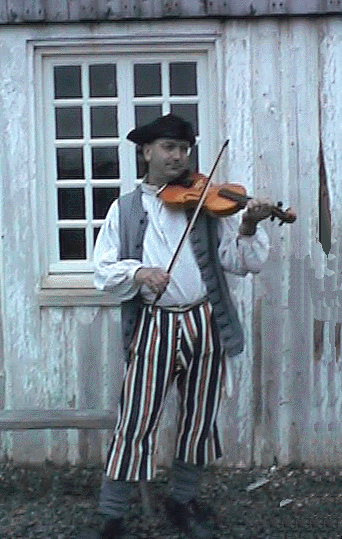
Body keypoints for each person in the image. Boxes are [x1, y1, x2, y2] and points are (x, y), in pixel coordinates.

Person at [90, 114, 272, 539]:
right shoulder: (126, 208)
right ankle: (112, 515)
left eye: (184, 148)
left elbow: (243, 263)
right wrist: (139, 274)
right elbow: (102, 270)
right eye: (169, 147)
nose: (178, 156)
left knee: (199, 419)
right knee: (135, 419)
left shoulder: (207, 203)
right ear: (146, 152)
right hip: (154, 324)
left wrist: (247, 225)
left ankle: (182, 501)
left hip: (204, 320)